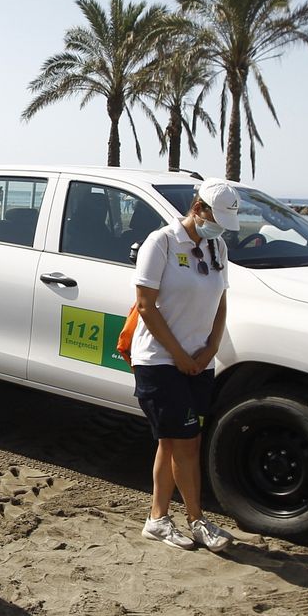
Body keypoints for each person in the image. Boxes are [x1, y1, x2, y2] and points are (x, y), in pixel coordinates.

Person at [116, 179, 239, 553]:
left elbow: (220, 302)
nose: (219, 229)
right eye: (215, 219)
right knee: (186, 442)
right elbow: (146, 306)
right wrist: (181, 356)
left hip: (200, 361)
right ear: (198, 209)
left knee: (173, 442)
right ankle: (197, 519)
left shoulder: (217, 247)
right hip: (160, 361)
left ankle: (157, 519)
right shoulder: (162, 242)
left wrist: (211, 348)